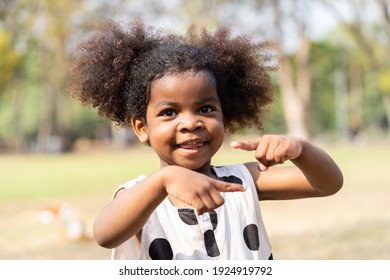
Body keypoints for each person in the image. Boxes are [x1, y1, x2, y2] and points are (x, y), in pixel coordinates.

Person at [67, 18, 343, 260]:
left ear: (225, 116)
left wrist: (302, 151)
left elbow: (327, 185)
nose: (190, 123)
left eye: (206, 109)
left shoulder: (241, 181)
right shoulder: (140, 195)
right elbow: (104, 234)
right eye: (169, 112)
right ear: (142, 128)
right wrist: (165, 180)